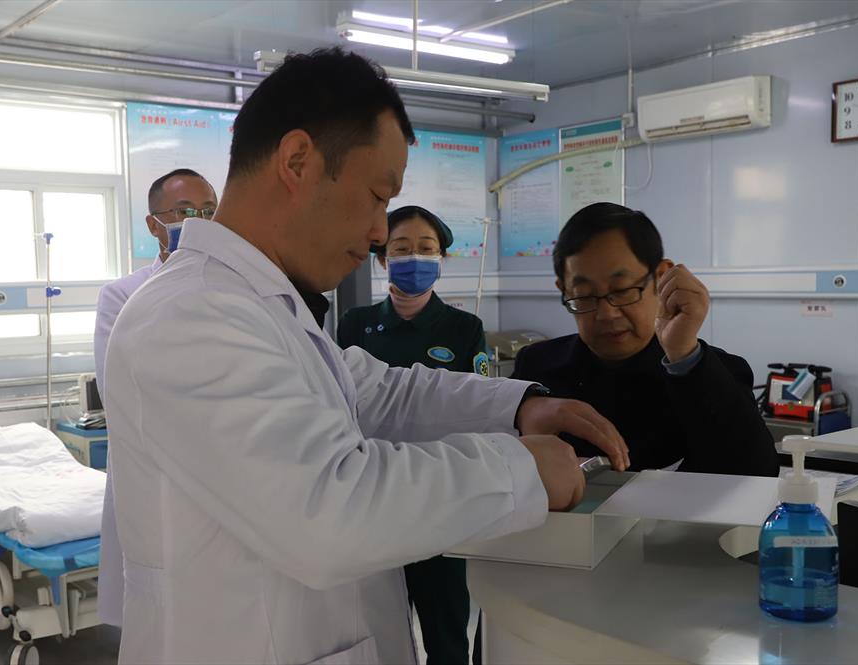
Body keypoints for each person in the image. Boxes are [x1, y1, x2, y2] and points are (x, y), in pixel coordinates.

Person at [103, 48, 628, 665]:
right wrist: (519, 471)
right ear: (297, 161)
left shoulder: (268, 307)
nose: (381, 232)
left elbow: (381, 392)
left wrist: (517, 408)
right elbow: (328, 515)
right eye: (378, 196)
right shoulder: (191, 313)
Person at [511, 202, 779, 477]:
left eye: (622, 290)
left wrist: (684, 354)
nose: (607, 314)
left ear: (661, 278)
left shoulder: (713, 371)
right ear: (564, 290)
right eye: (584, 295)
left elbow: (757, 472)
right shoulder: (536, 368)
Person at [337, 205, 486, 665]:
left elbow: (477, 408)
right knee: (376, 626)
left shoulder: (464, 328)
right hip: (373, 494)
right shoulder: (356, 323)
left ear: (441, 258)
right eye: (401, 249)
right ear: (382, 259)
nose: (414, 258)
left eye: (426, 248)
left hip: (439, 497)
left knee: (446, 632)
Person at [93, 168, 217, 627]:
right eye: (184, 212)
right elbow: (120, 392)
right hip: (154, 469)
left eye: (208, 212)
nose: (198, 222)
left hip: (221, 469)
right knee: (157, 620)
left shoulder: (232, 290)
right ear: (153, 224)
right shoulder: (122, 295)